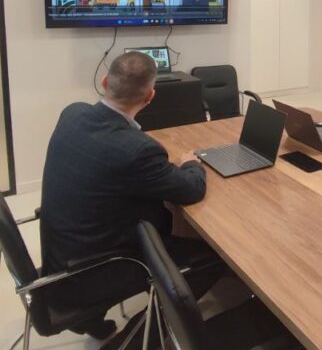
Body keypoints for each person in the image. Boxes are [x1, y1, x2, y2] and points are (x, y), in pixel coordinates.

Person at [40, 51, 218, 339]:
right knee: (212, 258)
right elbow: (192, 190)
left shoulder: (72, 113)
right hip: (94, 271)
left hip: (60, 258)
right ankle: (135, 339)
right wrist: (190, 164)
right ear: (150, 97)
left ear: (104, 81)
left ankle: (92, 321)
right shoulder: (137, 149)